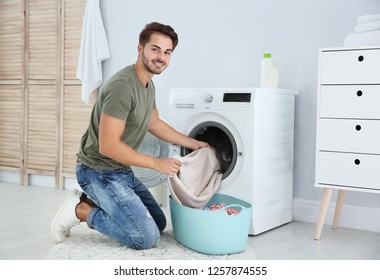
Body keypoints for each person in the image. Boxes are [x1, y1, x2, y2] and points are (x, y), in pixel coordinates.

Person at [50, 22, 209, 250]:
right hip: (97, 170)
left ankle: (95, 202)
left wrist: (194, 143)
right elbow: (108, 146)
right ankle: (81, 209)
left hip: (121, 171)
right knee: (145, 238)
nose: (161, 57)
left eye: (167, 52)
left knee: (159, 223)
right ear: (140, 48)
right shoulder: (123, 86)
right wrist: (156, 163)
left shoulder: (147, 85)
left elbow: (154, 123)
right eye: (155, 49)